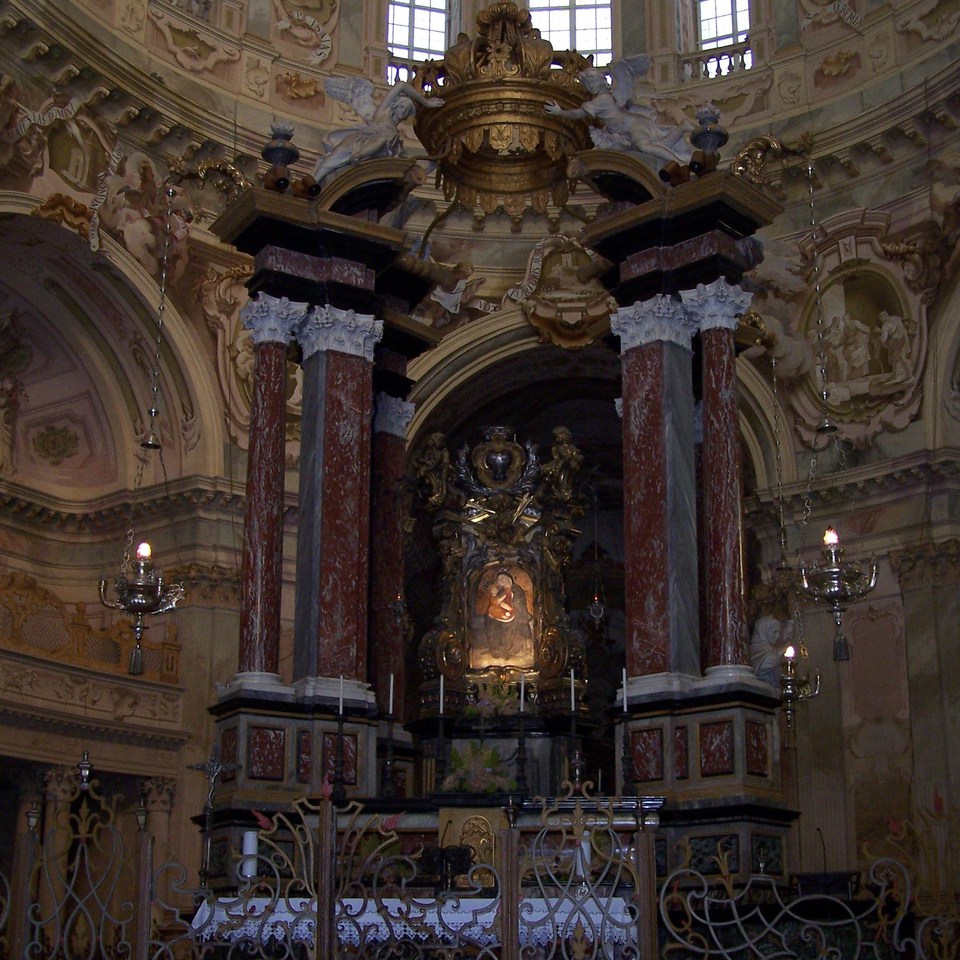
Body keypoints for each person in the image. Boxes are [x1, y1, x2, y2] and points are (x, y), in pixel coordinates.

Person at [313, 78, 443, 183]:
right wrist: (425, 102)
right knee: (335, 157)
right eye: (403, 106)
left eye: (407, 110)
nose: (404, 111)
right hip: (360, 139)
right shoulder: (382, 112)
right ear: (394, 105)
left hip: (374, 153)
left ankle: (361, 156)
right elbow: (401, 85)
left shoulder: (394, 136)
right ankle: (314, 181)